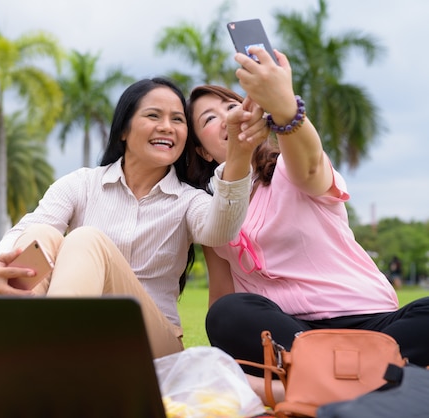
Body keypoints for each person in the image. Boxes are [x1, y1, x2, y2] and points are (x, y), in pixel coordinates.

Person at [184, 46, 429, 402]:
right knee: (227, 313)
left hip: (370, 323)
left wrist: (285, 108)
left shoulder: (287, 166)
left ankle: (300, 390)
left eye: (233, 104)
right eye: (209, 118)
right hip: (290, 333)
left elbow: (311, 167)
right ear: (203, 152)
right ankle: (382, 383)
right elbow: (222, 299)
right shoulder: (213, 215)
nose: (230, 116)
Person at [0, 77, 268, 359]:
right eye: (153, 115)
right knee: (42, 235)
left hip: (151, 342)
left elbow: (221, 230)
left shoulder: (189, 201)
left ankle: (36, 361)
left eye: (177, 120)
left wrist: (239, 155)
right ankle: (28, 355)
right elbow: (31, 226)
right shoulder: (82, 184)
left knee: (85, 239)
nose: (166, 127)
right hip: (85, 332)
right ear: (123, 131)